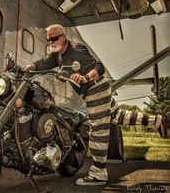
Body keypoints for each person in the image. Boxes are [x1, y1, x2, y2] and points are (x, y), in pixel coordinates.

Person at [26, 24, 168, 186]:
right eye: (49, 39)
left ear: (64, 37)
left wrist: (86, 77)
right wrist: (29, 68)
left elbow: (98, 67)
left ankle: (99, 173)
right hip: (96, 90)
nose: (51, 42)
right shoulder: (56, 55)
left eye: (54, 38)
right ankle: (155, 121)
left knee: (98, 130)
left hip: (95, 89)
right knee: (118, 116)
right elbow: (42, 64)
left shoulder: (76, 49)